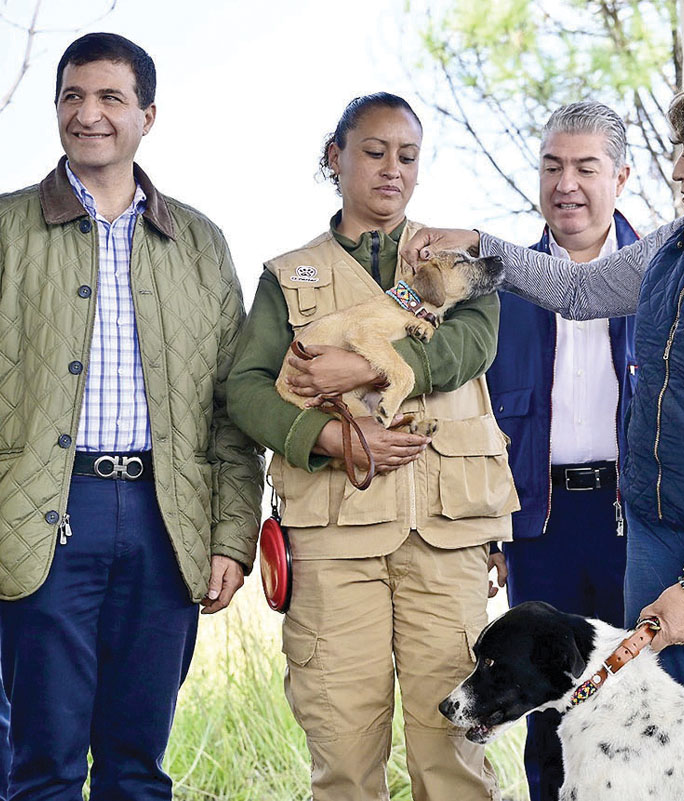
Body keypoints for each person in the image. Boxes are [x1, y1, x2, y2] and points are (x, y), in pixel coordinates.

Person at [404, 70, 684, 801]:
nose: (675, 169)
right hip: (662, 529)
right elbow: (579, 291)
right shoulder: (674, 248)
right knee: (648, 760)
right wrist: (478, 244)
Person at [226, 92, 517, 801]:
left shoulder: (454, 256)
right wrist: (327, 436)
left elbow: (472, 345)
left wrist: (364, 366)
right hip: (333, 540)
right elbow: (246, 387)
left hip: (446, 535)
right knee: (345, 748)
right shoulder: (288, 276)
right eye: (374, 151)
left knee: (453, 749)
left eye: (408, 156)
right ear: (337, 157)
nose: (393, 169)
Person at [0, 33, 263, 799]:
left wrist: (230, 537)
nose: (89, 114)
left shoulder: (200, 244)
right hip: (41, 515)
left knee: (138, 766)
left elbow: (231, 406)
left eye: (110, 98)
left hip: (165, 518)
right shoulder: (7, 230)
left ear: (148, 114)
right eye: (73, 97)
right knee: (40, 763)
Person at [485, 100, 637, 801]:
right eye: (552, 167)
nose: (566, 183)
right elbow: (477, 415)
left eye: (585, 167)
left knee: (639, 693)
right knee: (546, 705)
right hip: (538, 524)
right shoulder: (503, 283)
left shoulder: (662, 271)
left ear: (622, 177)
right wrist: (490, 530)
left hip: (634, 520)